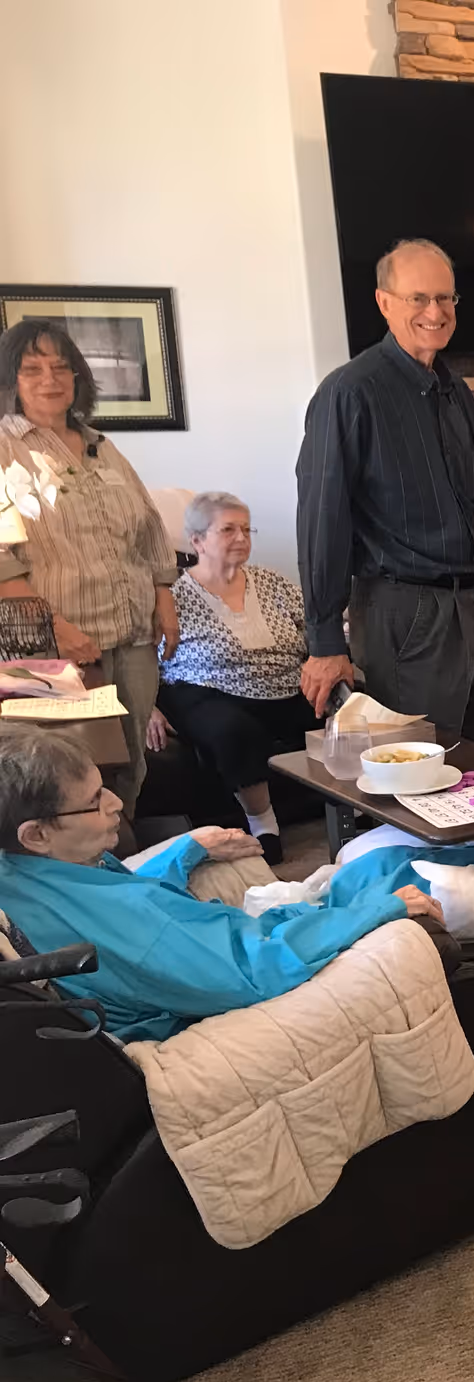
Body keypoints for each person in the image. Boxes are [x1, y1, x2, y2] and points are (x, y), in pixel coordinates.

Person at [0, 722, 442, 1044]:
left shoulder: (20, 872)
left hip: (205, 946)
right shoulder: (123, 924)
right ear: (36, 834)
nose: (117, 805)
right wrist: (376, 913)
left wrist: (188, 849)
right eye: (95, 803)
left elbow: (121, 894)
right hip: (236, 971)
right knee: (387, 877)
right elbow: (252, 971)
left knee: (370, 868)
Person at [296, 238, 474, 745]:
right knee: (419, 774)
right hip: (409, 612)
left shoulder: (456, 394)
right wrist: (325, 641)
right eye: (418, 298)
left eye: (445, 298)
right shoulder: (349, 393)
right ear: (384, 302)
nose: (435, 312)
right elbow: (322, 519)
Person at [0, 320, 179, 808]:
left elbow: (149, 529)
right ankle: (75, 876)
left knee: (129, 769)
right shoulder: (5, 450)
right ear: (10, 380)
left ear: (78, 376)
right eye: (31, 368)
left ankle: (118, 863)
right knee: (66, 777)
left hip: (134, 638)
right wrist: (54, 628)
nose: (49, 379)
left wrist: (165, 598)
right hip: (53, 647)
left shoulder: (103, 446)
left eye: (61, 367)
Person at [151, 492, 313, 865]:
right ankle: (264, 825)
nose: (241, 538)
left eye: (246, 529)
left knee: (347, 711)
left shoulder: (273, 583)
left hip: (284, 685)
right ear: (196, 541)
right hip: (205, 690)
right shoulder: (170, 597)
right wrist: (148, 708)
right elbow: (143, 657)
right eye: (228, 530)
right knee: (233, 730)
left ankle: (350, 807)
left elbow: (315, 631)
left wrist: (325, 661)